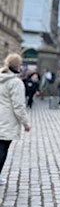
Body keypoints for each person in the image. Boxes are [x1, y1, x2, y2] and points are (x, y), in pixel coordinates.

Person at [0, 53, 31, 186]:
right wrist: (25, 123)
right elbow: (18, 106)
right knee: (2, 149)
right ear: (18, 66)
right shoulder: (15, 82)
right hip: (6, 121)